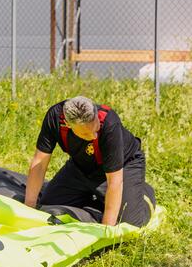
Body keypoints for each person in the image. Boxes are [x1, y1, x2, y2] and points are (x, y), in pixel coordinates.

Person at [25, 96, 155, 227]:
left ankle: (141, 191)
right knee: (48, 205)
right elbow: (40, 163)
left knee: (129, 223)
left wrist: (106, 231)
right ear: (68, 125)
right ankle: (96, 196)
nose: (94, 136)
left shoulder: (109, 123)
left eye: (96, 127)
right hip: (82, 166)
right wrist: (29, 208)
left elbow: (114, 181)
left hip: (125, 166)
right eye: (86, 134)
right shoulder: (55, 118)